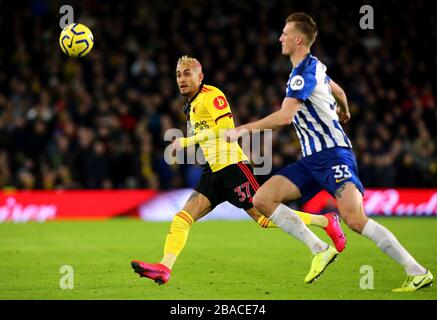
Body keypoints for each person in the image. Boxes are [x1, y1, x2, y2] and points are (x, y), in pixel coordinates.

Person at [226, 13, 433, 291]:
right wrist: (344, 110)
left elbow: (286, 116)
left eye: (285, 33)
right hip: (311, 161)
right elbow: (340, 91)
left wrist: (242, 130)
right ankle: (319, 247)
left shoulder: (302, 74)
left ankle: (417, 271)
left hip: (334, 154)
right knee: (263, 199)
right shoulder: (316, 67)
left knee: (355, 219)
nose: (280, 38)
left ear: (298, 39)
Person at [131, 55, 345, 285]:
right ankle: (164, 267)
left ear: (200, 77)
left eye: (187, 73)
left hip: (233, 169)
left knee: (264, 218)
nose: (181, 79)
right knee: (182, 219)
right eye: (178, 74)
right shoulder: (190, 107)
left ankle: (326, 221)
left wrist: (186, 141)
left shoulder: (212, 96)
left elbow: (225, 127)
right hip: (212, 173)